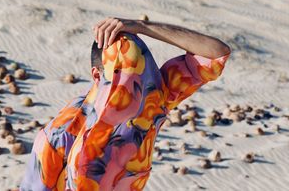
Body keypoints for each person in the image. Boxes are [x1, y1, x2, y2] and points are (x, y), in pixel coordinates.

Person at [20, 17, 231, 191]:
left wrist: (142, 26)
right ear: (97, 76)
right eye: (121, 76)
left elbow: (216, 53)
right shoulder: (62, 132)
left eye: (137, 73)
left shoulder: (152, 97)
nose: (132, 85)